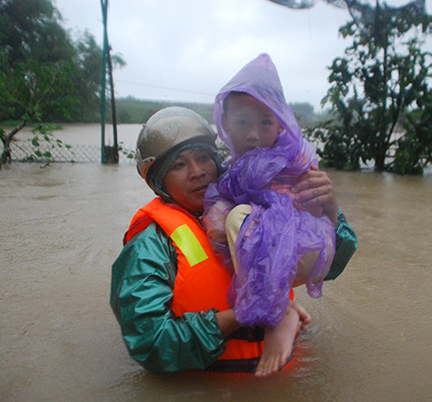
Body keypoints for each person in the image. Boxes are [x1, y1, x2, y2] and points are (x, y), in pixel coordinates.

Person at [110, 106, 357, 375]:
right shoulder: (150, 245)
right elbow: (152, 345)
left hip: (280, 375)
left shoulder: (250, 208)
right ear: (157, 181)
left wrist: (329, 212)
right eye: (179, 165)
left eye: (203, 158)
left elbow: (325, 268)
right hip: (210, 385)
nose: (196, 172)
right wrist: (250, 313)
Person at [202, 53, 353, 376]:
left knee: (238, 217)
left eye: (266, 123)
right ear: (225, 122)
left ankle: (279, 311)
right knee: (234, 216)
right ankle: (279, 310)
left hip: (307, 247)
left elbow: (331, 249)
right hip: (240, 365)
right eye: (242, 122)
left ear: (281, 122)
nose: (254, 135)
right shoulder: (223, 172)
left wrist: (332, 208)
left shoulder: (296, 161)